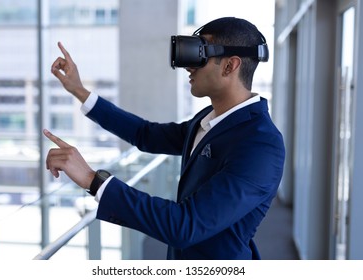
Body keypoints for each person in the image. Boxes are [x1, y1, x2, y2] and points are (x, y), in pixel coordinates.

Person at [44, 17, 285, 260]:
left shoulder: (261, 145)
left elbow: (185, 225)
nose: (187, 66)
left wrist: (91, 180)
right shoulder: (207, 119)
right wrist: (79, 90)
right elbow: (145, 134)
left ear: (229, 66)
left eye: (198, 54)